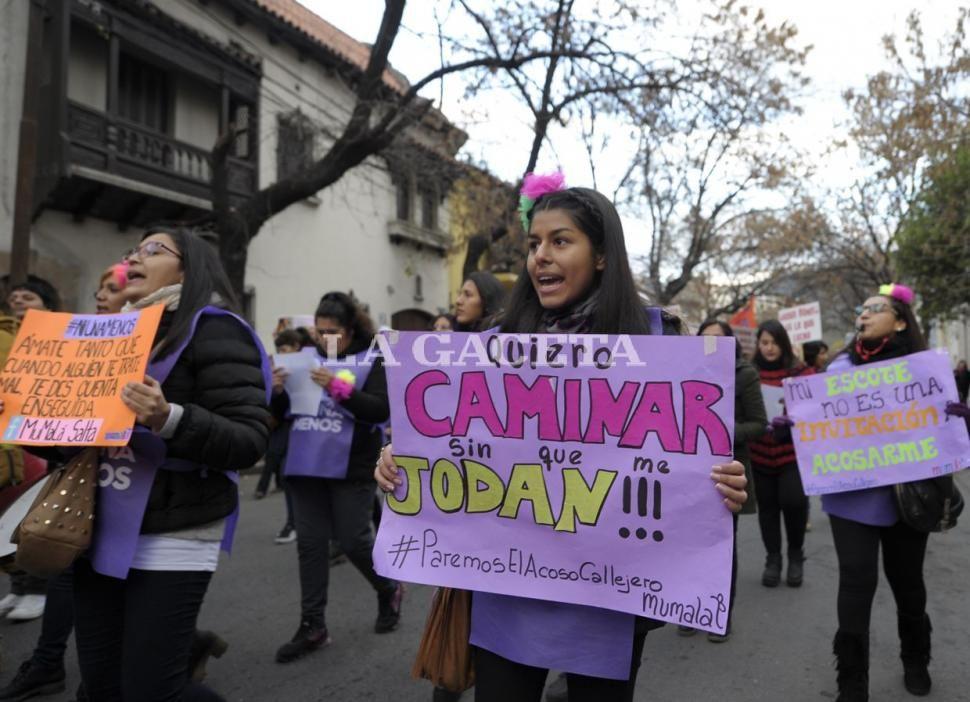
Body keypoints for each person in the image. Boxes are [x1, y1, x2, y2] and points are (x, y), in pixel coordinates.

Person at [375, 174, 748, 702]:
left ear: (600, 255)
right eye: (534, 245)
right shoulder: (488, 348)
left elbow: (694, 467)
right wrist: (398, 459)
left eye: (560, 241)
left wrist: (724, 486)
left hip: (609, 597)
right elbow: (442, 442)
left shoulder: (659, 345)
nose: (540, 257)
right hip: (509, 592)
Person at [38, 226, 269, 702]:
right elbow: (74, 447)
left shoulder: (214, 329)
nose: (134, 257)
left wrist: (169, 418)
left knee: (152, 691)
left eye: (153, 249)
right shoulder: (106, 336)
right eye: (133, 250)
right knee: (100, 687)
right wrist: (28, 422)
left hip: (175, 533)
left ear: (189, 268)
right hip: (96, 528)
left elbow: (249, 441)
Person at [822, 284, 968, 701]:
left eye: (875, 309)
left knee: (908, 583)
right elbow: (822, 424)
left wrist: (960, 419)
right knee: (854, 583)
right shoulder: (839, 369)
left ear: (900, 320)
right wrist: (796, 424)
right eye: (861, 309)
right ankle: (851, 680)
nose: (863, 316)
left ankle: (916, 658)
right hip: (852, 495)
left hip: (909, 495)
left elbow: (947, 436)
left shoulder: (925, 373)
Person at [0, 264, 131, 701]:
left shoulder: (161, 348)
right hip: (82, 481)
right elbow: (53, 438)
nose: (99, 296)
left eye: (112, 289)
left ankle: (180, 649)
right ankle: (47, 662)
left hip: (137, 487)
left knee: (132, 591)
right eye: (98, 288)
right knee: (68, 573)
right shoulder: (75, 344)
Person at [274, 292, 401, 664]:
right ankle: (313, 625)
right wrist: (277, 391)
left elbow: (379, 409)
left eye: (334, 332)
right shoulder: (303, 357)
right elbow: (282, 412)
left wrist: (338, 388)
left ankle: (388, 587)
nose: (325, 338)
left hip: (351, 465)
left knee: (353, 541)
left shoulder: (372, 356)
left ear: (350, 330)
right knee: (310, 546)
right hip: (305, 464)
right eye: (320, 331)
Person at [675, 320, 767, 643]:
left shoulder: (744, 375)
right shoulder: (685, 369)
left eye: (716, 340)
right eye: (703, 339)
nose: (709, 345)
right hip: (687, 472)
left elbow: (758, 423)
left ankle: (718, 613)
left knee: (721, 546)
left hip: (726, 472)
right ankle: (688, 608)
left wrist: (720, 435)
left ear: (731, 344)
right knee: (686, 542)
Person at [0, 276, 62, 624]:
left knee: (39, 518)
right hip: (11, 440)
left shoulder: (57, 337)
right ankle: (20, 585)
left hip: (47, 440)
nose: (20, 299)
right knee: (10, 518)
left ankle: (40, 589)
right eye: (15, 295)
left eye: (30, 295)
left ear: (48, 305)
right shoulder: (5, 337)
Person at [749, 319, 814, 588]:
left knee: (795, 503)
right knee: (767, 509)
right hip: (760, 455)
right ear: (758, 345)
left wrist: (794, 422)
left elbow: (814, 410)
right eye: (764, 342)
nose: (769, 348)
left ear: (784, 343)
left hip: (792, 455)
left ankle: (796, 555)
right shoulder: (749, 373)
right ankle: (773, 559)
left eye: (774, 342)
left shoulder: (801, 373)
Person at [256, 329, 309, 549]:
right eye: (279, 350)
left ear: (296, 346)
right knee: (287, 474)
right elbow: (279, 409)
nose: (280, 353)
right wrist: (277, 390)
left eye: (284, 349)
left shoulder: (310, 363)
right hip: (287, 427)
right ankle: (293, 523)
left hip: (307, 427)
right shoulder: (278, 368)